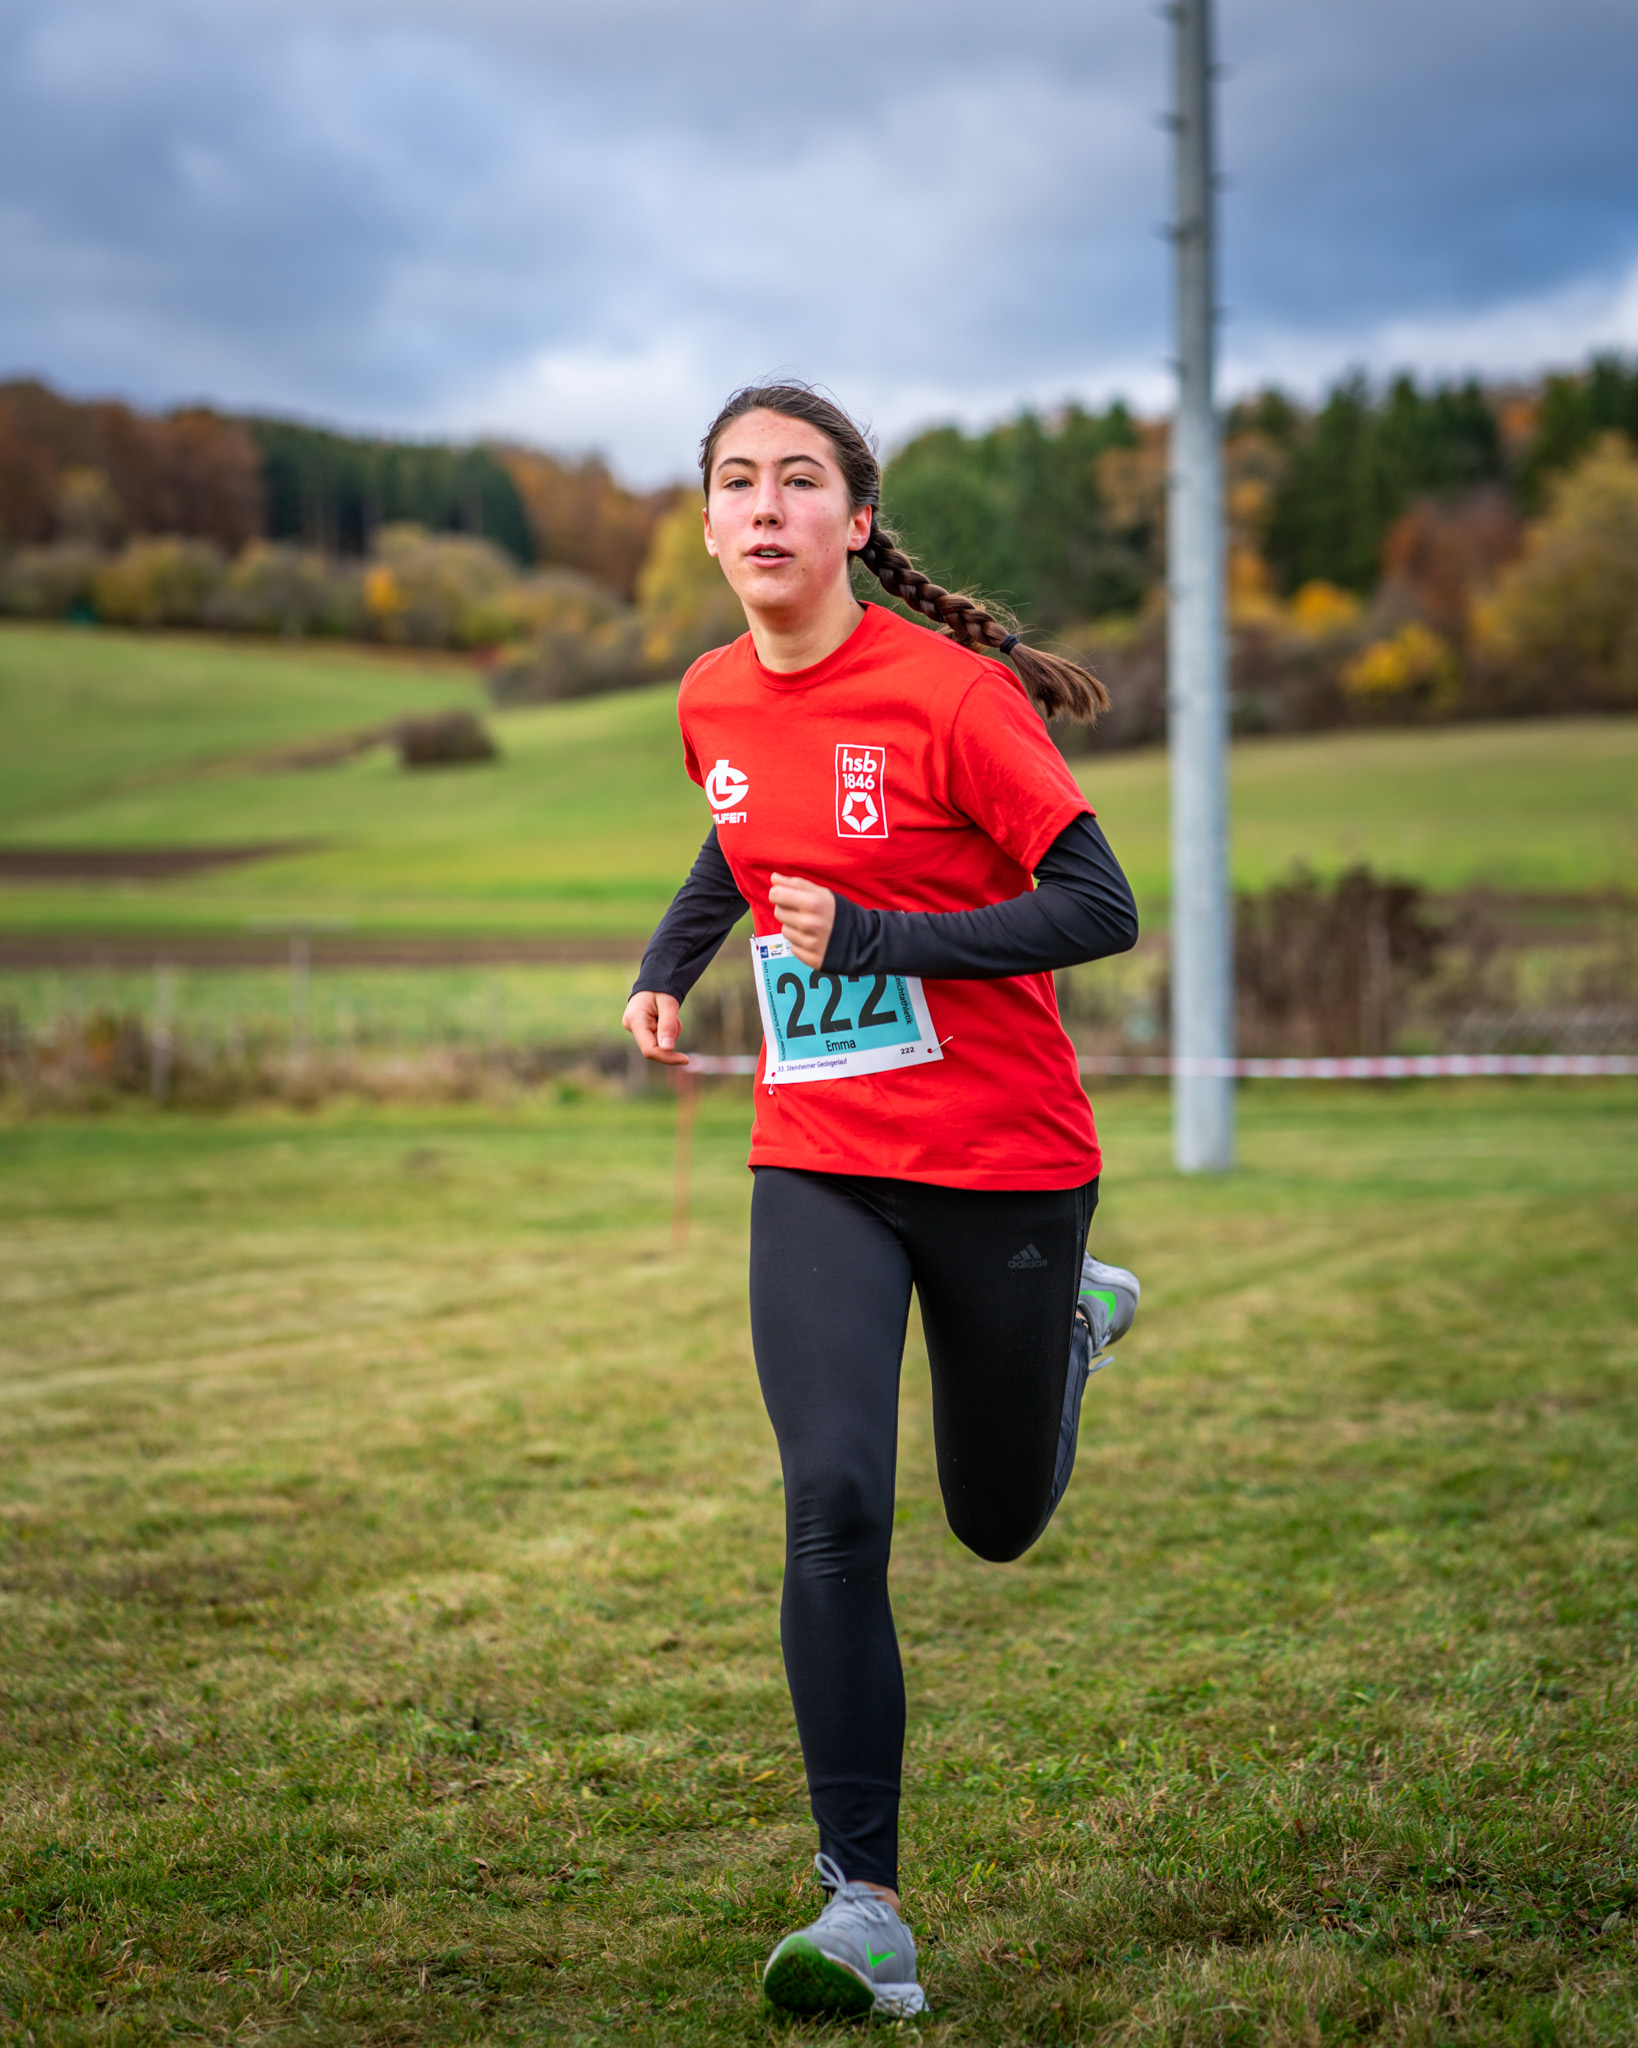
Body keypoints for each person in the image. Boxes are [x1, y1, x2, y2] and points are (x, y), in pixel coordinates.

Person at [623, 384, 1141, 2021]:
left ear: (854, 523)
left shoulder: (951, 697)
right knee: (833, 1501)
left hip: (1003, 1160)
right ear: (710, 526)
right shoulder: (709, 694)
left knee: (994, 1522)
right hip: (820, 1152)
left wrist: (877, 941)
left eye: (798, 480)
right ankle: (865, 1908)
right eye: (735, 481)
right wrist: (668, 963)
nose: (763, 505)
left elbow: (1098, 906)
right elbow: (736, 835)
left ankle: (1068, 1323)